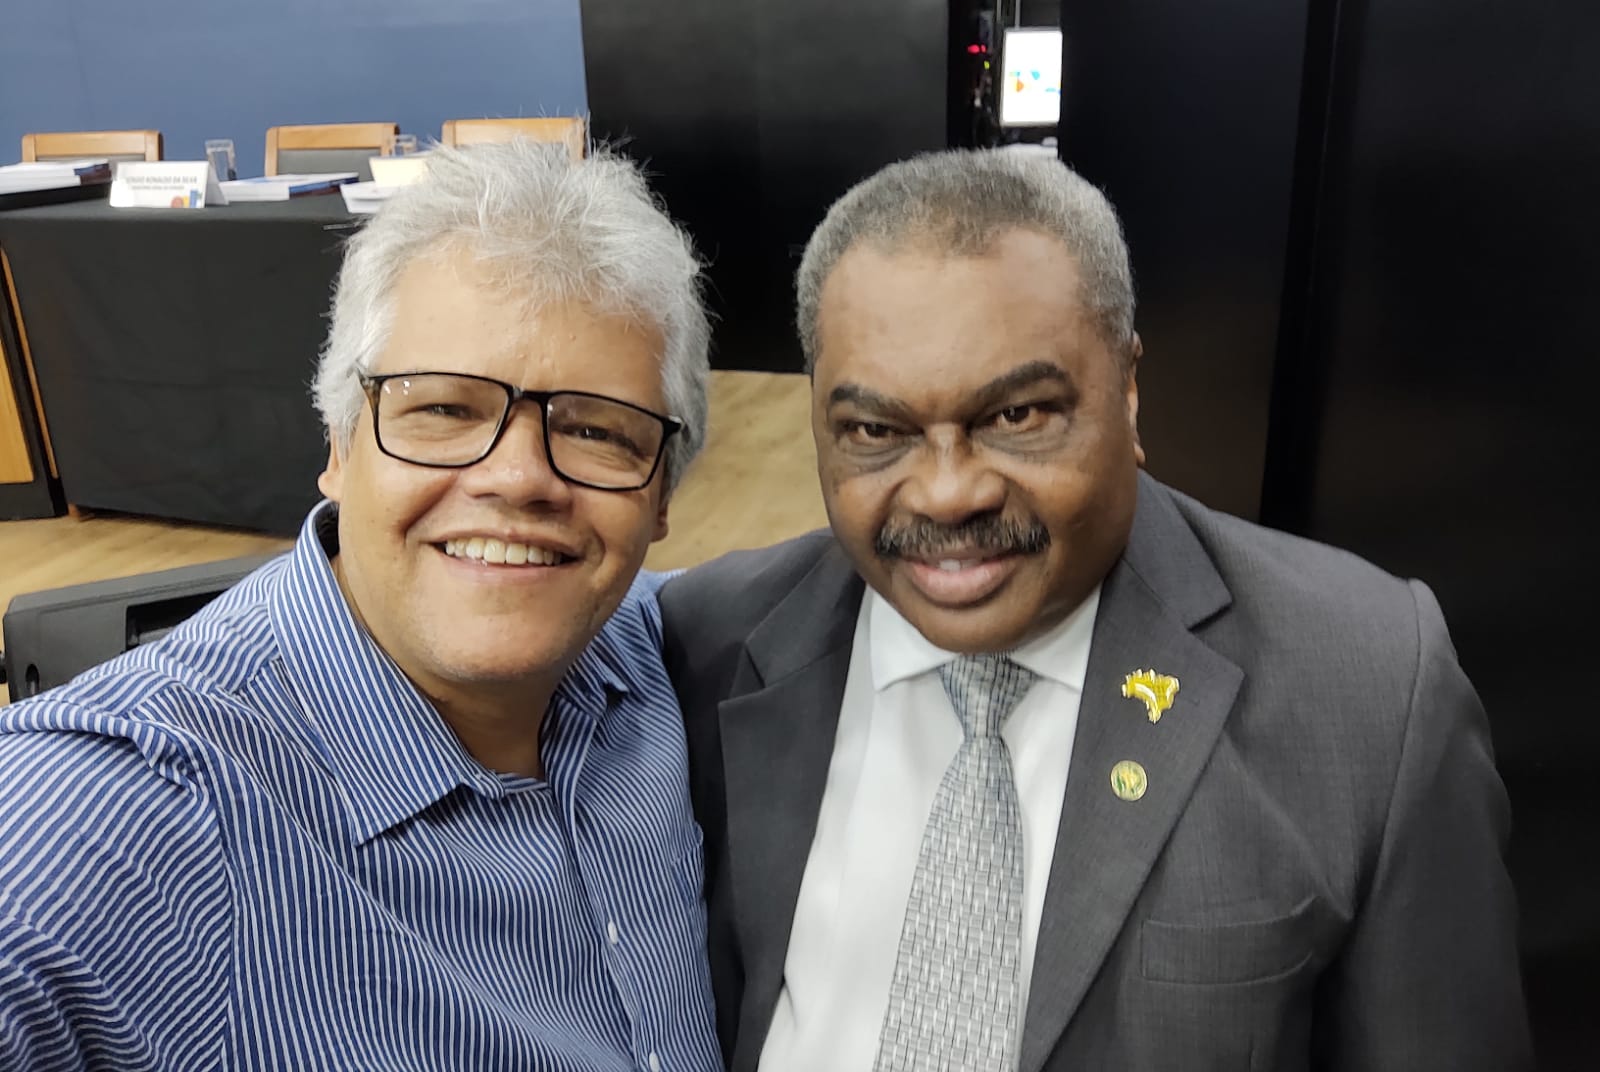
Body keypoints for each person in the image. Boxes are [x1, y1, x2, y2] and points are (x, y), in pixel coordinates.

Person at [660, 148, 1531, 1072]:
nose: (948, 493)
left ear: (1129, 388)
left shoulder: (1371, 689)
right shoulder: (707, 642)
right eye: (877, 431)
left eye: (1017, 416)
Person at [0, 141, 722, 1072]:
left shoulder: (652, 646)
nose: (517, 478)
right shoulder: (143, 804)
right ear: (339, 445)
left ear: (660, 498)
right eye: (444, 410)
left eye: (595, 429)